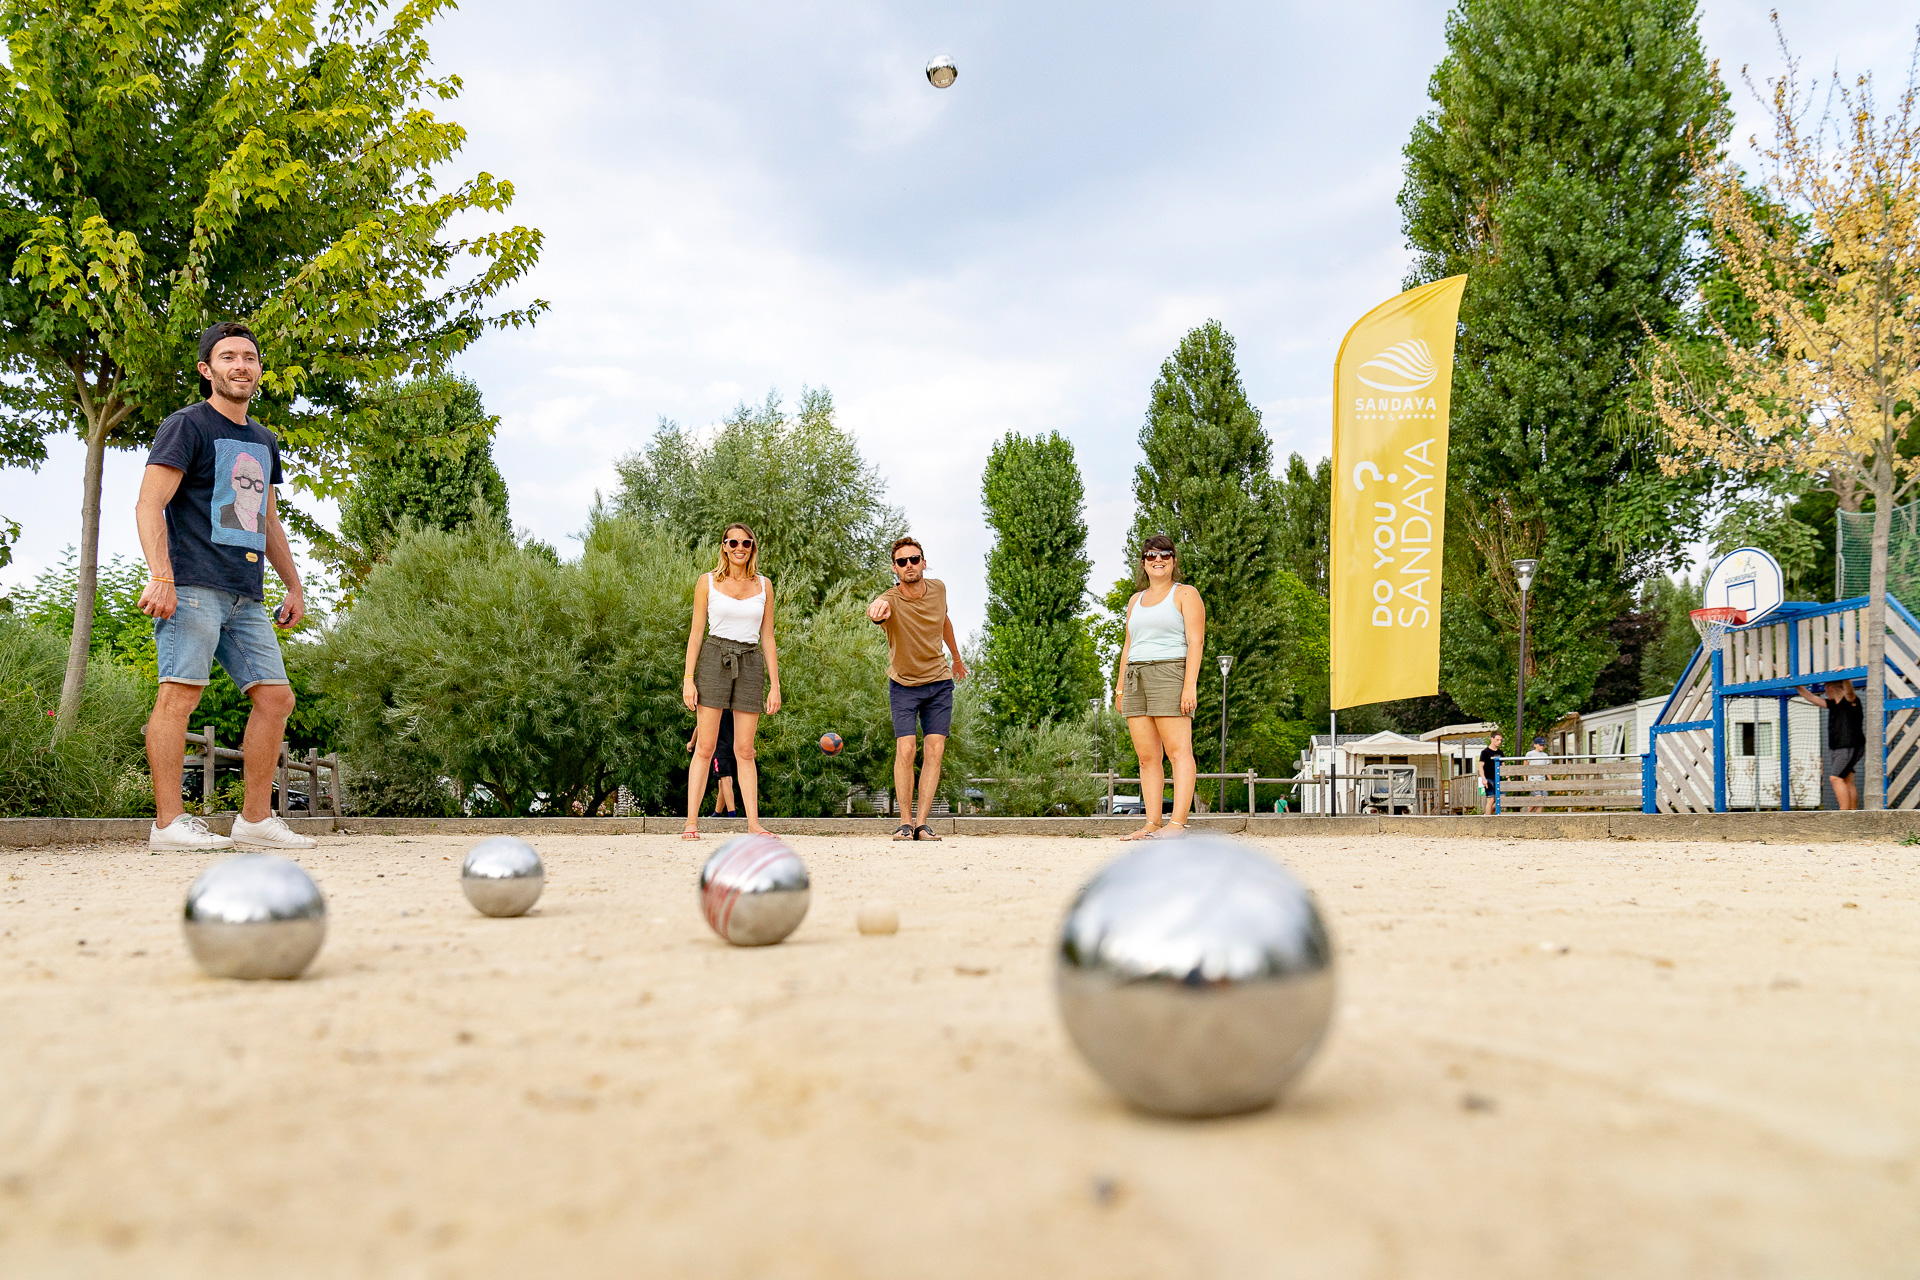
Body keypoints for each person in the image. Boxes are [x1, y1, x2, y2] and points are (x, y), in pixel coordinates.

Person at [135, 322, 316, 852]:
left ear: (259, 369)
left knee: (276, 699)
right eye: (228, 357)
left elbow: (266, 519)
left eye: (249, 358)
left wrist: (294, 586)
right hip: (191, 585)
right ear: (206, 369)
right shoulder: (186, 425)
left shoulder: (263, 440)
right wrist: (161, 576)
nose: (241, 365)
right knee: (180, 695)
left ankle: (255, 821)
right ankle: (168, 824)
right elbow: (149, 503)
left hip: (245, 593)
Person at [682, 524, 782, 838]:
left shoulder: (764, 585)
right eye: (734, 542)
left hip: (750, 662)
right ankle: (691, 823)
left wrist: (775, 685)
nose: (740, 548)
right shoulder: (707, 581)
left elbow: (768, 637)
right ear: (724, 546)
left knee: (745, 750)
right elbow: (696, 633)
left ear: (753, 547)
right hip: (714, 658)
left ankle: (753, 825)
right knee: (705, 747)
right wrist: (688, 678)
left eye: (746, 543)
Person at [867, 536, 967, 840]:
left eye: (914, 559)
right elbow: (877, 610)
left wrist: (957, 659)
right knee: (907, 748)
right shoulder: (889, 600)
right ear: (895, 568)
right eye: (902, 562)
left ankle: (922, 824)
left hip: (938, 682)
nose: (909, 565)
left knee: (935, 750)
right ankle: (905, 823)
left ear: (923, 562)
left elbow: (944, 621)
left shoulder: (939, 589)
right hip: (904, 685)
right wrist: (875, 611)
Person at [1113, 534, 1205, 840]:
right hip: (1135, 677)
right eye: (1151, 555)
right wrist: (1120, 688)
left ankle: (1177, 824)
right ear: (1143, 563)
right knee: (1147, 757)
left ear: (1174, 561)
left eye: (1165, 554)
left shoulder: (1186, 594)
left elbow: (1195, 641)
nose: (1158, 560)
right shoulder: (1134, 601)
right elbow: (1128, 645)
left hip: (1170, 673)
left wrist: (1189, 686)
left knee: (1179, 753)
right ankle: (1151, 823)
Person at [1796, 679, 1864, 810]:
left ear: (1829, 687)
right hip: (1838, 748)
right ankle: (1853, 812)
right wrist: (1797, 685)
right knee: (1847, 779)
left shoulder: (1850, 701)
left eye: (1825, 688)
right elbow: (1811, 698)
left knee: (1835, 778)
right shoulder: (1832, 704)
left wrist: (1845, 678)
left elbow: (1849, 692)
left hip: (1848, 746)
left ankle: (1844, 813)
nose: (1825, 692)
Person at [685, 713, 740, 817]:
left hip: (720, 749)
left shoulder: (716, 708)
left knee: (726, 779)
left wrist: (692, 742)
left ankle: (732, 814)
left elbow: (701, 726)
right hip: (734, 748)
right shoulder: (733, 709)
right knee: (723, 782)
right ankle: (716, 813)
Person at [1478, 731, 1503, 815]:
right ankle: (1487, 818)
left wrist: (1507, 777)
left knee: (1502, 799)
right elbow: (1480, 766)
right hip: (1489, 778)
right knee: (1490, 800)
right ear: (1492, 739)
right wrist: (1483, 778)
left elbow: (1503, 765)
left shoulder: (1500, 752)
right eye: (1497, 740)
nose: (1499, 742)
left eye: (1500, 740)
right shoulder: (1485, 752)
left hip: (1499, 779)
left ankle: (1487, 814)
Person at [1525, 735, 1551, 813]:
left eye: (1543, 745)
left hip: (1542, 780)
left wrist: (1550, 781)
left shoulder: (1545, 755)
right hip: (1533, 780)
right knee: (1538, 797)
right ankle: (1527, 813)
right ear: (1535, 745)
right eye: (1540, 745)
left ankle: (1537, 816)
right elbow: (1524, 767)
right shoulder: (1530, 754)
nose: (1542, 746)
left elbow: (1547, 770)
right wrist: (1525, 780)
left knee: (1543, 800)